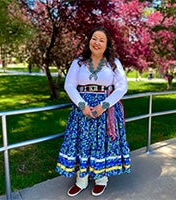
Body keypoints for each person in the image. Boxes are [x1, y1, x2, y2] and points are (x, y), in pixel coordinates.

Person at [56, 26, 131, 197]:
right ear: (89, 41)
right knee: (82, 143)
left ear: (107, 44)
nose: (96, 42)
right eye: (94, 38)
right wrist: (82, 105)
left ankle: (101, 179)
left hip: (105, 111)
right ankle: (81, 180)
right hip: (82, 112)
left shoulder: (114, 64)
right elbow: (69, 85)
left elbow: (122, 87)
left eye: (101, 40)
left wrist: (104, 105)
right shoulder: (78, 63)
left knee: (101, 144)